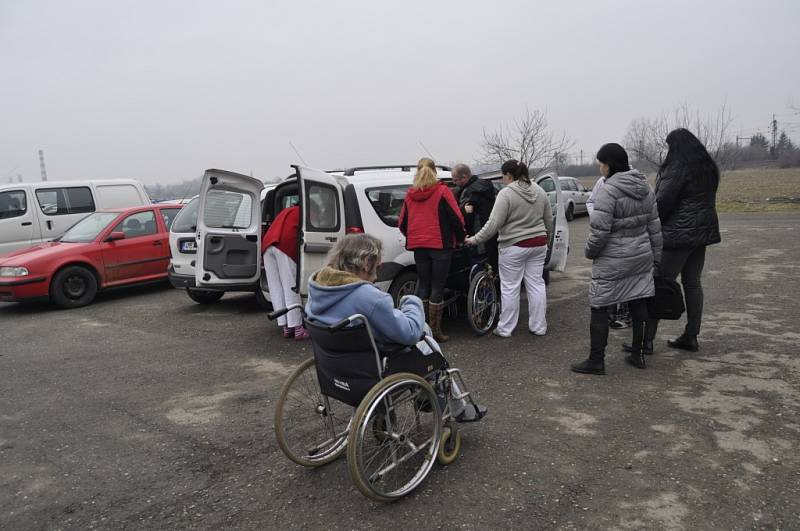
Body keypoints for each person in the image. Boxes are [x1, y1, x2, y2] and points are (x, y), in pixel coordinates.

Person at [305, 233, 486, 422]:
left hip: (334, 367)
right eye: (377, 266)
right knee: (426, 338)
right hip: (373, 367)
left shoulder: (318, 286)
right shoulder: (366, 296)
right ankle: (453, 405)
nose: (377, 272)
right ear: (367, 263)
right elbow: (408, 334)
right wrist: (411, 302)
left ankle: (419, 395)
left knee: (417, 334)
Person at [627, 128, 720, 354]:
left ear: (675, 147)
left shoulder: (678, 168)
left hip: (677, 236)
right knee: (693, 284)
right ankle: (691, 335)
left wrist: (652, 226)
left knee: (660, 284)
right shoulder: (707, 168)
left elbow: (663, 203)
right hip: (700, 236)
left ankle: (645, 342)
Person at [571, 144, 662, 375]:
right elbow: (654, 226)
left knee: (599, 306)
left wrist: (590, 252)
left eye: (601, 163)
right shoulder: (645, 187)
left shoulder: (608, 191)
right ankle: (638, 354)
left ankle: (596, 360)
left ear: (609, 164)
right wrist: (656, 257)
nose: (600, 167)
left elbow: (599, 231)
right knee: (638, 301)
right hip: (641, 256)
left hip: (612, 259)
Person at [465, 160, 553, 338]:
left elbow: (493, 224)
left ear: (509, 175)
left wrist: (474, 240)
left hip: (514, 246)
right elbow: (548, 219)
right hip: (538, 244)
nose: (503, 180)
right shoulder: (539, 190)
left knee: (510, 287)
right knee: (536, 285)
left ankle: (505, 329)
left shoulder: (506, 194)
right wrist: (547, 239)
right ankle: (539, 326)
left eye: (504, 176)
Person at [398, 158, 465, 342]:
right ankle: (435, 331)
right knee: (437, 287)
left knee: (424, 285)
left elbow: (402, 222)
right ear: (434, 171)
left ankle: (421, 328)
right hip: (440, 246)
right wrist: (460, 238)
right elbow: (456, 218)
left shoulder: (410, 195)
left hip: (419, 247)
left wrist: (413, 236)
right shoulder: (443, 191)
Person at [588, 174, 631, 330]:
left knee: (627, 280)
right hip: (609, 238)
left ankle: (625, 315)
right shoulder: (602, 181)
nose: (601, 168)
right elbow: (591, 201)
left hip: (628, 238)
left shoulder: (635, 182)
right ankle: (610, 314)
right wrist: (598, 218)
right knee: (610, 279)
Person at [262, 203, 309, 340]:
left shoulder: (287, 211)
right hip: (284, 245)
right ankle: (298, 328)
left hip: (268, 245)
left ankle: (285, 326)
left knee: (276, 287)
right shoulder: (304, 211)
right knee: (290, 286)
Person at [451, 163, 498, 272]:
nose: (454, 183)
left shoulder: (469, 192)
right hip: (491, 233)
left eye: (455, 180)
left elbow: (463, 216)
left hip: (477, 235)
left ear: (464, 177)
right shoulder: (488, 187)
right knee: (492, 266)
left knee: (478, 267)